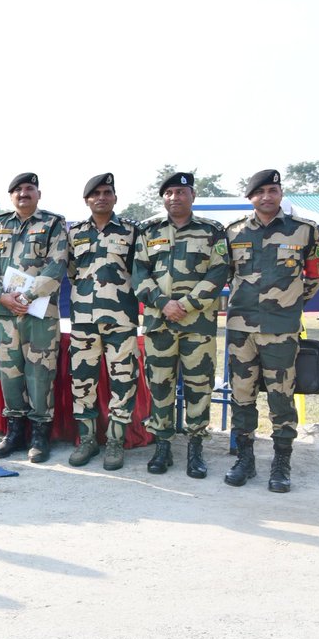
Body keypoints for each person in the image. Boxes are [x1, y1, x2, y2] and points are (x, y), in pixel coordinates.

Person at [223, 169, 319, 493]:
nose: (266, 196)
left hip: (281, 331)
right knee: (242, 396)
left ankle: (281, 462)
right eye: (260, 192)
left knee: (281, 398)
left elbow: (316, 275)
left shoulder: (305, 232)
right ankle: (245, 459)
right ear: (251, 197)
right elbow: (223, 274)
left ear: (280, 194)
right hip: (241, 330)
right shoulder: (233, 232)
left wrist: (291, 304)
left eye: (272, 190)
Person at [133, 171, 228, 479]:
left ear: (193, 197)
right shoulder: (148, 231)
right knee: (159, 384)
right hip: (159, 324)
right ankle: (162, 446)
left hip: (197, 324)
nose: (175, 197)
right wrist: (163, 303)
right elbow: (138, 273)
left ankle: (195, 448)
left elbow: (218, 273)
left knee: (198, 385)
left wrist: (184, 306)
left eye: (181, 192)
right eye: (170, 192)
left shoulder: (212, 230)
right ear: (163, 198)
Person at [0, 173, 69, 463]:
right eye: (18, 190)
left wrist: (27, 298)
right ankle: (14, 432)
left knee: (40, 373)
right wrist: (0, 296)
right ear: (11, 197)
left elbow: (56, 265)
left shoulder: (53, 224)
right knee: (10, 372)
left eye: (29, 189)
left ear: (38, 194)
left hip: (41, 313)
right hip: (7, 313)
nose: (23, 193)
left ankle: (40, 435)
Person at [65, 173, 140, 470]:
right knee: (82, 381)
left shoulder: (131, 231)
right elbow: (72, 271)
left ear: (115, 198)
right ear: (87, 201)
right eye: (96, 194)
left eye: (107, 192)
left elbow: (139, 270)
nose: (102, 197)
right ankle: (87, 440)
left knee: (123, 380)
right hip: (83, 318)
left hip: (121, 318)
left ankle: (115, 442)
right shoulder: (75, 233)